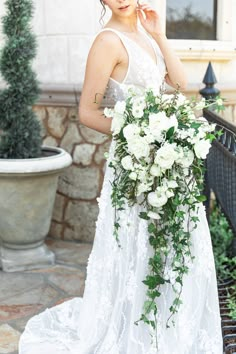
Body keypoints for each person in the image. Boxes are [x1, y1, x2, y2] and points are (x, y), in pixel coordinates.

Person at [19, 1, 223, 353]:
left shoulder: (144, 34)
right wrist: (140, 133)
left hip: (164, 160)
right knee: (139, 243)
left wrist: (160, 34)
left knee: (173, 243)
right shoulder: (108, 42)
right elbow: (88, 111)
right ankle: (136, 332)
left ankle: (164, 326)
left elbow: (178, 83)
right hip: (136, 161)